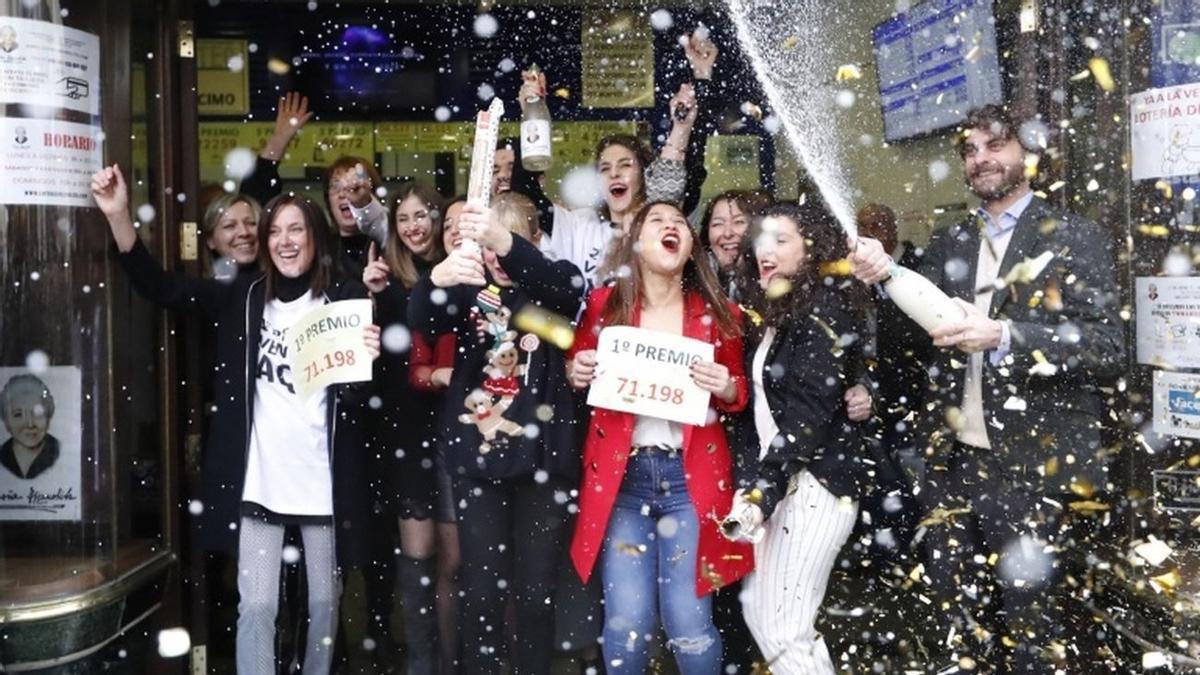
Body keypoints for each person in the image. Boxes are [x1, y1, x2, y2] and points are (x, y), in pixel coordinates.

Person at [847, 104, 1124, 671]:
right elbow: (910, 335)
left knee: (1032, 625)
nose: (981, 160)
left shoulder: (1074, 235)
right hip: (951, 466)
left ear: (1026, 152)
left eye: (994, 146)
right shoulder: (952, 241)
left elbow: (1106, 346)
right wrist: (882, 275)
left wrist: (1005, 334)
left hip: (1032, 465)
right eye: (970, 151)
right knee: (956, 618)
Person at [91, 165, 381, 675]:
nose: (285, 241)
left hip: (323, 483)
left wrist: (366, 363)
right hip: (260, 483)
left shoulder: (344, 300)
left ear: (315, 236)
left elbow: (356, 406)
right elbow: (160, 287)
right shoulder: (242, 297)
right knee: (258, 608)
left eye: (297, 230)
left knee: (324, 609)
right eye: (275, 231)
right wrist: (118, 216)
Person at [567, 201, 753, 674]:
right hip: (623, 479)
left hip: (689, 480)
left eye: (679, 224)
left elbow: (740, 392)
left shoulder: (722, 314)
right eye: (657, 221)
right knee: (625, 627)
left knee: (690, 627)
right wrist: (577, 369)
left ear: (690, 247)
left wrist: (726, 386)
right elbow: (578, 369)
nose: (670, 227)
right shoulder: (602, 307)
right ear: (635, 242)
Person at [408, 193, 584, 675]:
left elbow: (567, 293)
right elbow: (421, 320)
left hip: (545, 469)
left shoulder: (555, 281)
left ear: (534, 241)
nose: (497, 259)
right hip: (478, 463)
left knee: (533, 597)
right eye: (487, 249)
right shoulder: (469, 292)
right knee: (481, 596)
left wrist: (502, 241)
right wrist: (435, 279)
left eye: (506, 245)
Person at [721, 201, 868, 675]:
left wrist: (763, 488)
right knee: (764, 618)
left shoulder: (824, 308)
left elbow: (808, 416)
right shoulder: (772, 314)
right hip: (780, 485)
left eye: (780, 240)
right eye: (761, 240)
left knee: (784, 629)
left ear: (811, 249)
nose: (766, 250)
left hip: (814, 485)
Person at [361, 181, 448, 674]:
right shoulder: (383, 279)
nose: (414, 227)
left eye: (422, 216)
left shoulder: (461, 269)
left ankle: (451, 657)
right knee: (416, 558)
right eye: (403, 219)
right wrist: (376, 296)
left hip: (459, 426)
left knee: (455, 561)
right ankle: (420, 662)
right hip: (406, 430)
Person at [0, 374, 59, 480]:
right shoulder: (3, 455)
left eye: (38, 413)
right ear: (6, 420)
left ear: (48, 415)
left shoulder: (58, 452)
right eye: (18, 414)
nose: (30, 424)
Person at [200, 192, 260, 280]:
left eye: (251, 223)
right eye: (230, 226)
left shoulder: (278, 285)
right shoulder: (200, 289)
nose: (244, 232)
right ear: (210, 240)